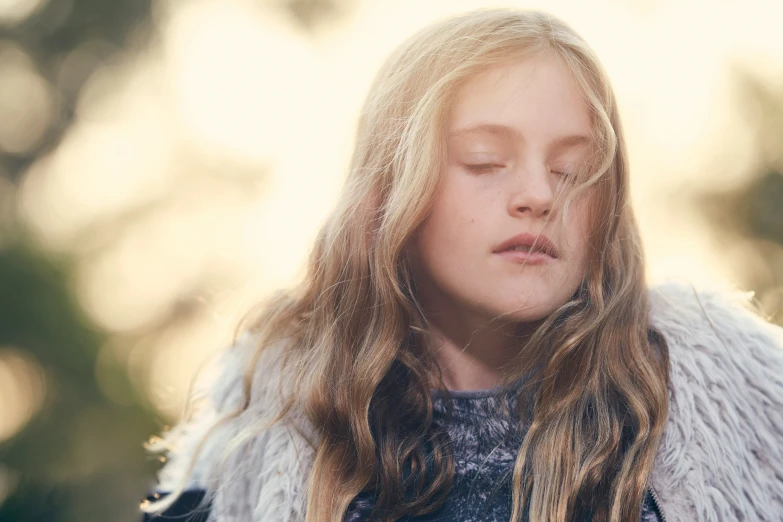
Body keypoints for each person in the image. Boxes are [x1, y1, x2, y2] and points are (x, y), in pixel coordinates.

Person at [139, 8, 783, 522]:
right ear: (391, 190)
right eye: (484, 160)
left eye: (572, 170)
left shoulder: (732, 411)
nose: (539, 194)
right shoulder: (260, 440)